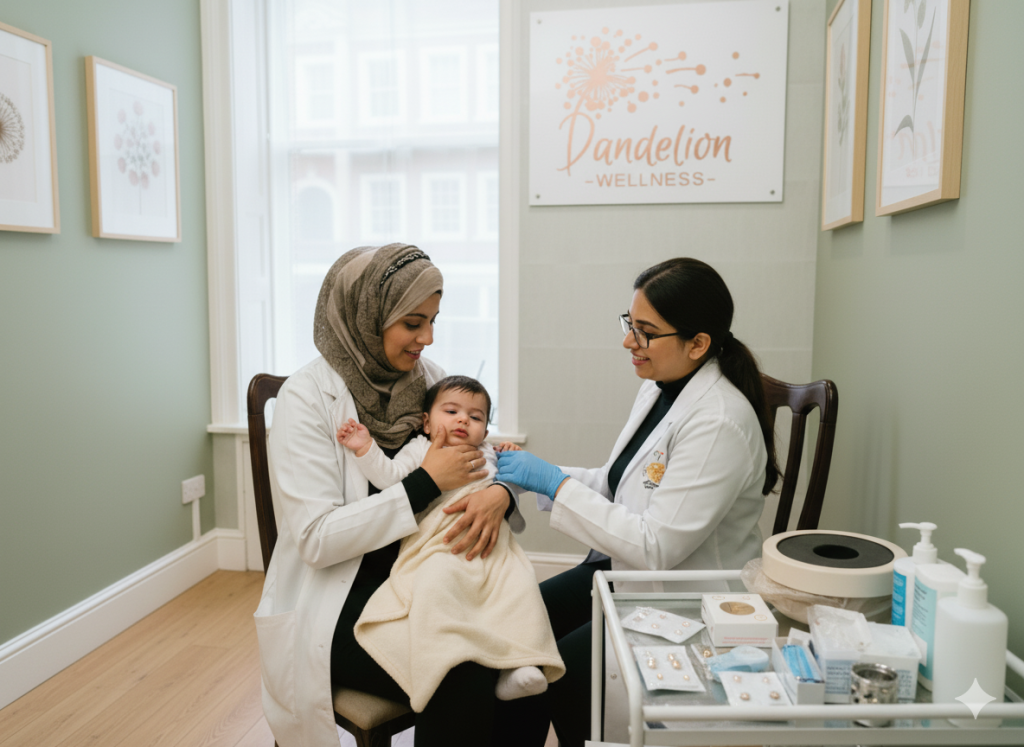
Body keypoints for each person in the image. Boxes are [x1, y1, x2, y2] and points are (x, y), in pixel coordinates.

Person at [492, 257, 781, 747]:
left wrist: (554, 486)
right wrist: (537, 476)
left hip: (681, 598)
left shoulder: (717, 422)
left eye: (645, 331)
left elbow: (655, 549)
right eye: (630, 324)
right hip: (624, 572)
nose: (629, 342)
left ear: (698, 344)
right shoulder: (660, 389)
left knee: (558, 671)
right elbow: (616, 484)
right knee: (511, 631)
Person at [253, 244, 523, 747]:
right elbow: (315, 539)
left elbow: (481, 442)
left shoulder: (428, 378)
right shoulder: (307, 398)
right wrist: (426, 483)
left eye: (433, 321)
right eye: (413, 323)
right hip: (336, 599)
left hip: (417, 580)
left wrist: (502, 491)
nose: (427, 338)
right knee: (461, 673)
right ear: (367, 316)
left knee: (519, 658)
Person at [335, 375, 564, 710]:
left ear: (485, 432)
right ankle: (444, 651)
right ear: (427, 423)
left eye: (475, 417)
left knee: (519, 587)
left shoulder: (489, 452)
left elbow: (516, 487)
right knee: (438, 582)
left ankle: (520, 663)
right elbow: (388, 479)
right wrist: (365, 448)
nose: (462, 420)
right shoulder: (421, 449)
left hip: (491, 546)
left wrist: (511, 464)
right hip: (440, 544)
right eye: (452, 411)